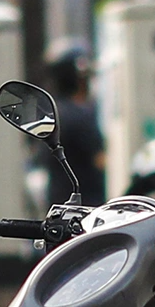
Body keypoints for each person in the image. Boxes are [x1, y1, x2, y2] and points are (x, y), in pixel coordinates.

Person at [47, 46, 106, 204]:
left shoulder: (53, 111)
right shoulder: (79, 116)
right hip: (86, 206)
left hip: (59, 203)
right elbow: (101, 160)